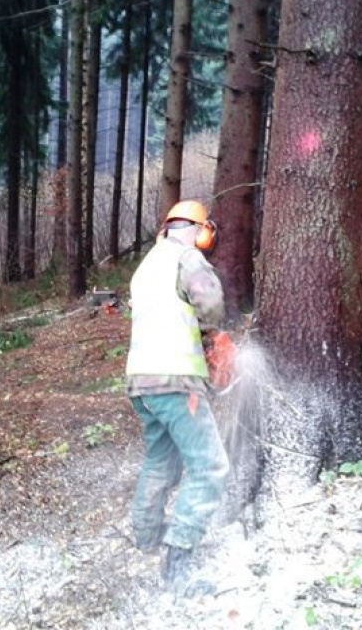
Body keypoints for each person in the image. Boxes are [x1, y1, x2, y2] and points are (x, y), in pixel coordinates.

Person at [125, 200, 230, 584]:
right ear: (201, 232)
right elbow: (211, 306)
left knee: (161, 461)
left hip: (141, 382)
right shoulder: (187, 258)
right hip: (176, 381)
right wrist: (212, 336)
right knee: (210, 466)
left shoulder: (147, 265)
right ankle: (178, 560)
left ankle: (146, 538)